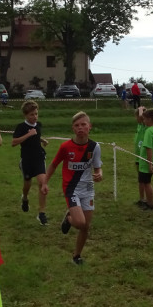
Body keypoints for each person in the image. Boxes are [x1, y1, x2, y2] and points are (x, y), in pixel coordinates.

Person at [46, 111, 103, 266]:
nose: (80, 128)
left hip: (88, 189)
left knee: (85, 227)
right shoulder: (66, 147)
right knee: (79, 223)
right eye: (77, 125)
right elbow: (53, 164)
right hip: (71, 188)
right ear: (73, 128)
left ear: (89, 127)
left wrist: (99, 174)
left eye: (83, 124)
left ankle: (76, 256)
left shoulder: (94, 147)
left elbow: (97, 168)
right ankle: (70, 218)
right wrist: (45, 182)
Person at [12, 100, 50, 225]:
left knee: (42, 183)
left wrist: (42, 140)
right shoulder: (21, 127)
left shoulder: (38, 125)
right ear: (25, 115)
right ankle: (25, 197)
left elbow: (36, 136)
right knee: (27, 184)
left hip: (39, 158)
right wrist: (28, 135)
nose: (34, 117)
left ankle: (42, 213)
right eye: (31, 115)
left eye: (36, 114)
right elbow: (14, 143)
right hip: (27, 160)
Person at [132, 106, 148, 207]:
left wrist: (141, 109)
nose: (136, 118)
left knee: (144, 180)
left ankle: (146, 199)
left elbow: (142, 117)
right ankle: (142, 198)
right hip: (138, 156)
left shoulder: (144, 125)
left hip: (143, 157)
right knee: (140, 179)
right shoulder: (139, 126)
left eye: (137, 116)